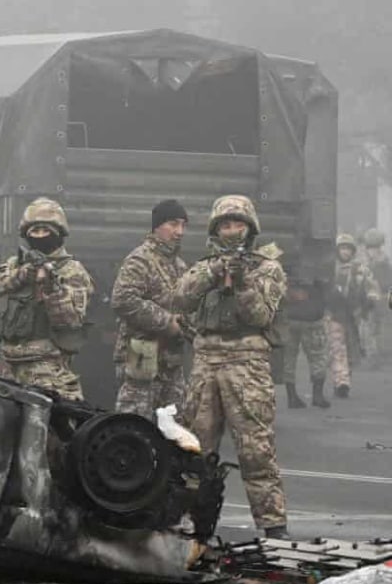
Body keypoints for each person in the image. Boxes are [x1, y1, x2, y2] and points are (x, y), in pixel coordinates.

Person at [173, 194, 289, 539]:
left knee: (256, 449)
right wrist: (213, 273)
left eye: (238, 224)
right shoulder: (203, 266)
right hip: (206, 361)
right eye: (225, 224)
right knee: (196, 449)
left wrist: (241, 283)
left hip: (247, 361)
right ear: (215, 229)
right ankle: (194, 525)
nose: (232, 230)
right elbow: (180, 297)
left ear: (250, 228)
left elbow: (260, 315)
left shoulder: (267, 268)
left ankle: (273, 526)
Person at [0, 197, 93, 400]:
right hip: (9, 370)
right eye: (34, 231)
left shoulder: (71, 271)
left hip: (47, 371)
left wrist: (49, 287)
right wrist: (18, 277)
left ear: (58, 233)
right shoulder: (15, 266)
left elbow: (71, 319)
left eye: (45, 230)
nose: (40, 236)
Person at [110, 199, 188, 420]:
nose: (179, 231)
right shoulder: (140, 260)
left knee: (175, 427)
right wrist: (166, 322)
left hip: (171, 359)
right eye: (173, 224)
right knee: (136, 422)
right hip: (142, 352)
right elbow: (123, 299)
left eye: (183, 225)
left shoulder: (179, 266)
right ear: (157, 226)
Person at [275, 245, 331, 409]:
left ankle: (292, 397)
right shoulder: (320, 262)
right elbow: (328, 287)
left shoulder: (283, 261)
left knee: (289, 358)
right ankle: (317, 396)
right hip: (311, 317)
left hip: (290, 317)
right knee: (318, 356)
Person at [325, 234, 381, 398]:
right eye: (342, 248)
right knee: (337, 349)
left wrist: (371, 300)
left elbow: (372, 287)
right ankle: (341, 382)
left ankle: (344, 378)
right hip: (334, 314)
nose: (345, 252)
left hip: (354, 316)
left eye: (348, 249)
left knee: (351, 351)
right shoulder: (329, 268)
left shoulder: (360, 269)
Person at [359, 228, 389, 367]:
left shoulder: (383, 264)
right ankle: (371, 354)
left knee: (374, 329)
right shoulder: (365, 263)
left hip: (377, 301)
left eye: (375, 247)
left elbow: (385, 283)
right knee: (368, 328)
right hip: (367, 301)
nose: (373, 250)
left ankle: (373, 356)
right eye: (370, 247)